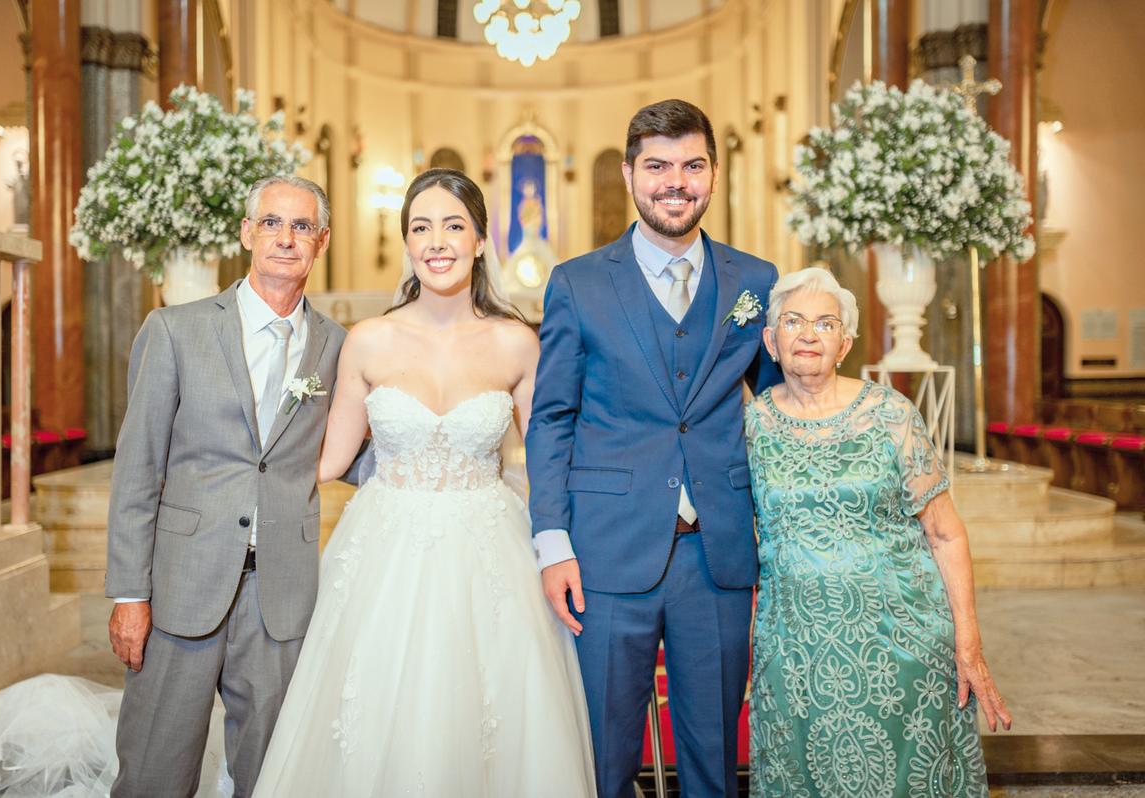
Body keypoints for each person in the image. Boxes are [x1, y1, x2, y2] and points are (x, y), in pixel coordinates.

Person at [252, 168, 596, 796]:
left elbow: (551, 454)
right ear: (408, 243)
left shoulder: (517, 344)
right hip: (385, 546)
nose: (438, 242)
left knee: (493, 711)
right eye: (421, 227)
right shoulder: (368, 341)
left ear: (481, 240)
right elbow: (327, 461)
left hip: (489, 547)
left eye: (454, 226)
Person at [527, 99, 782, 798]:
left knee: (713, 759)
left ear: (714, 173)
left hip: (720, 556)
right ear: (629, 173)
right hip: (605, 555)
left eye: (692, 165)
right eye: (659, 166)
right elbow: (552, 417)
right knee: (603, 756)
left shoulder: (755, 282)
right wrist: (552, 541)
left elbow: (786, 407)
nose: (677, 181)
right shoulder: (577, 283)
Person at [105, 175, 346, 797]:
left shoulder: (339, 349)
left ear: (321, 242)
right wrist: (129, 593)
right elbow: (137, 471)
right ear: (246, 233)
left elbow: (361, 450)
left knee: (272, 773)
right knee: (155, 768)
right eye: (271, 222)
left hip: (282, 594)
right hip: (181, 584)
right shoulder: (174, 330)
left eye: (300, 227)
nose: (284, 239)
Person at [744, 267, 1012, 796]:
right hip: (797, 654)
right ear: (770, 340)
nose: (808, 333)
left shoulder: (890, 414)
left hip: (904, 647)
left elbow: (945, 535)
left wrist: (968, 643)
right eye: (793, 321)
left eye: (825, 323)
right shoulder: (750, 427)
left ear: (844, 343)